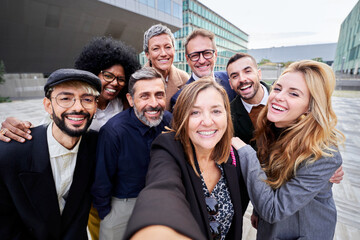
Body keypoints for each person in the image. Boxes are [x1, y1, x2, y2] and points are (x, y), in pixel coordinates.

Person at [231, 60, 345, 240]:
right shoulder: (272, 127)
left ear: (310, 106)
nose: (278, 97)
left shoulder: (322, 154)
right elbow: (269, 179)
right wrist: (258, 211)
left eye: (293, 93)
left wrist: (246, 153)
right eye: (277, 89)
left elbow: (274, 210)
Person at [124, 78, 248, 240]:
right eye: (195, 112)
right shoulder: (168, 148)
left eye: (216, 111)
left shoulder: (233, 157)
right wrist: (155, 229)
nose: (208, 121)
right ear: (182, 117)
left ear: (226, 115)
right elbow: (162, 191)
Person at [0, 68, 101, 239]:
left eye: (87, 99)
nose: (78, 107)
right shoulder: (10, 153)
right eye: (65, 99)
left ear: (95, 106)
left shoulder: (98, 146)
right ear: (48, 105)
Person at [0, 36, 140, 141]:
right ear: (93, 72)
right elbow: (46, 129)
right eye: (108, 76)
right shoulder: (75, 105)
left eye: (121, 79)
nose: (115, 83)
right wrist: (16, 129)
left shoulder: (123, 104)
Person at [91, 67, 172, 239]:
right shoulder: (113, 132)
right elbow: (102, 179)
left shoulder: (169, 121)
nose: (154, 103)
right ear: (131, 99)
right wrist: (107, 214)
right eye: (144, 96)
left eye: (159, 94)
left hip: (162, 201)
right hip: (122, 205)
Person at [170, 29, 236, 109]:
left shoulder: (230, 79)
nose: (202, 61)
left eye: (207, 53)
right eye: (195, 55)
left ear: (215, 55)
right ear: (187, 59)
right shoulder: (179, 100)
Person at [143, 24, 189, 110]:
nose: (163, 53)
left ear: (174, 50)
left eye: (167, 47)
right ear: (147, 54)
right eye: (156, 48)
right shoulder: (136, 80)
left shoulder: (184, 79)